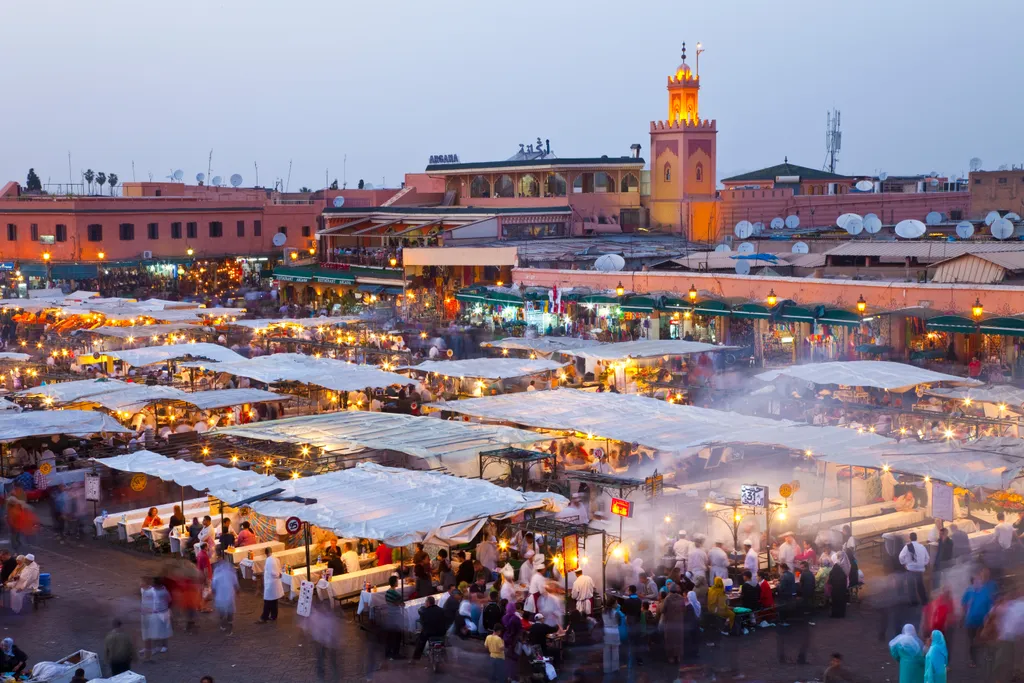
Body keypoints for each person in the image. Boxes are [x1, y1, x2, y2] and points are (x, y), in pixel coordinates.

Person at [140, 577, 172, 661]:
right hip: (156, 613)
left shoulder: (163, 591)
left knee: (163, 630)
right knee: (156, 631)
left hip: (162, 612)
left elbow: (169, 600)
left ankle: (163, 646)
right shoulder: (152, 590)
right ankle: (153, 647)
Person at [899, 532, 930, 605]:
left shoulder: (907, 547)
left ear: (910, 538)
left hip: (910, 569)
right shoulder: (922, 546)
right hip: (919, 569)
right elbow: (927, 558)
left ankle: (914, 603)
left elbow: (900, 556)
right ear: (916, 538)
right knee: (920, 585)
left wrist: (903, 564)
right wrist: (923, 564)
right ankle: (924, 601)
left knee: (911, 586)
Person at [412, 596, 447, 661]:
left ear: (428, 603)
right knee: (443, 642)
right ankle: (445, 657)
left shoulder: (424, 612)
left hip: (429, 633)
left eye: (425, 602)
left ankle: (415, 659)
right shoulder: (441, 610)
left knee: (421, 642)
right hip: (441, 632)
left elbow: (423, 623)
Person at [659, 586, 686, 664]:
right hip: (679, 623)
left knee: (670, 640)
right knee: (678, 640)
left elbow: (662, 610)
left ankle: (671, 657)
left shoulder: (668, 599)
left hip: (670, 623)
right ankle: (678, 657)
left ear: (670, 591)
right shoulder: (681, 598)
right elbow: (684, 609)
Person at [211, 558, 238, 634]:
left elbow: (213, 587)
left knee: (222, 611)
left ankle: (223, 624)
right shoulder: (230, 572)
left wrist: (213, 593)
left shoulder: (216, 574)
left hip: (220, 597)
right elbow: (235, 583)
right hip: (229, 596)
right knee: (230, 611)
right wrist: (237, 591)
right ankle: (229, 623)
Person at [258, 547, 284, 623]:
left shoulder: (269, 560)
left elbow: (272, 573)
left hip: (271, 584)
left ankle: (264, 617)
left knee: (268, 601)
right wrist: (279, 574)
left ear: (265, 553)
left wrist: (277, 575)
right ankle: (273, 616)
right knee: (274, 601)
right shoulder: (276, 559)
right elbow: (279, 569)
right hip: (275, 583)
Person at [382, 576, 405, 660]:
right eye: (397, 581)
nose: (398, 582)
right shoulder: (396, 594)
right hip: (396, 615)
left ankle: (388, 652)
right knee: (397, 636)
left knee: (390, 636)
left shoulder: (387, 592)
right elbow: (401, 604)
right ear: (395, 583)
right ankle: (396, 653)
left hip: (389, 615)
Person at [501, 603, 523, 683]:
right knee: (515, 659)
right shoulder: (516, 619)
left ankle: (509, 676)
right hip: (515, 641)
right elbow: (520, 629)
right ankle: (514, 677)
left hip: (506, 639)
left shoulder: (504, 618)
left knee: (508, 659)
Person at [683, 590, 701, 662]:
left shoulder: (688, 605)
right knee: (695, 639)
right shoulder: (698, 603)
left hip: (690, 625)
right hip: (697, 623)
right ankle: (695, 653)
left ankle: (690, 653)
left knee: (690, 639)